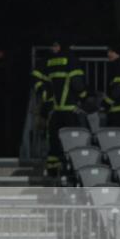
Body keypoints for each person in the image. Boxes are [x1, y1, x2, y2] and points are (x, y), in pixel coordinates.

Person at [32, 39, 88, 176]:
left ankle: (53, 172)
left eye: (55, 45)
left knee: (54, 142)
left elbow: (35, 76)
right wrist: (85, 97)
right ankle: (72, 172)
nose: (53, 48)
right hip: (70, 111)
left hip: (55, 111)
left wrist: (44, 91)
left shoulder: (49, 61)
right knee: (73, 142)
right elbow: (77, 84)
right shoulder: (71, 60)